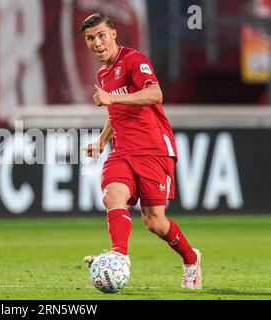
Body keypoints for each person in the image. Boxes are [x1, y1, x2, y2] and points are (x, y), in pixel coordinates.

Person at [80, 13, 202, 289]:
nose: (97, 42)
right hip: (122, 151)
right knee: (113, 196)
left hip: (153, 150)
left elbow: (155, 94)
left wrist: (113, 97)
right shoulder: (104, 73)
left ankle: (191, 257)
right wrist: (101, 141)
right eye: (90, 38)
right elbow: (116, 112)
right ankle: (119, 256)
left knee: (154, 221)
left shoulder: (135, 60)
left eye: (101, 35)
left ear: (113, 34)